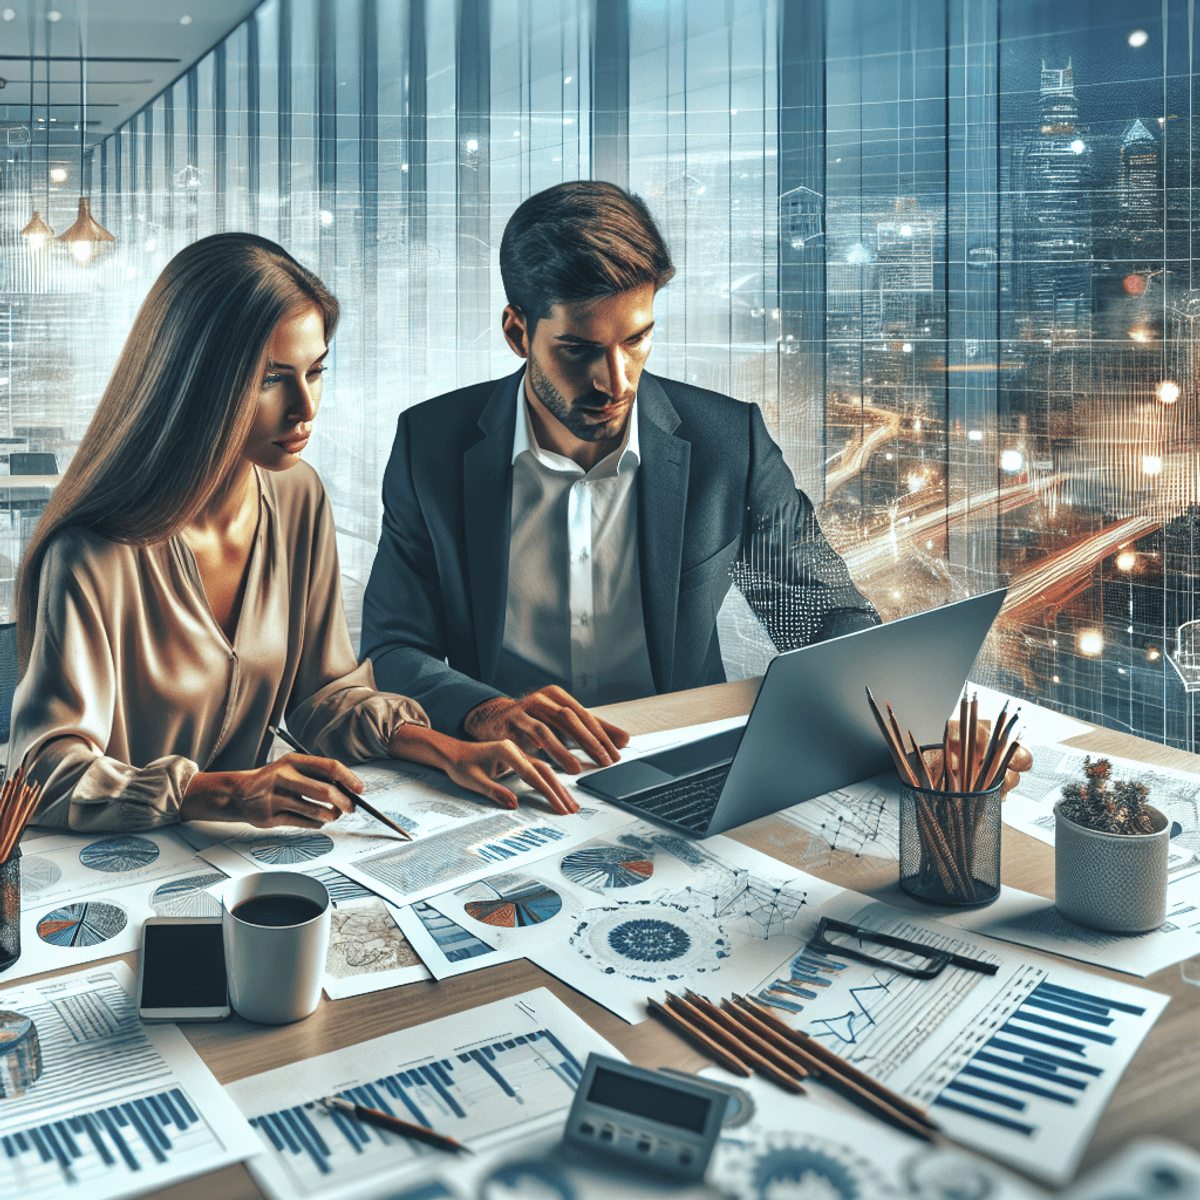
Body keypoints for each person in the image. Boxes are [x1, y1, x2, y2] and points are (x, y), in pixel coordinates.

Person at [8, 232, 578, 832]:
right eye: (270, 379)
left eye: (316, 371)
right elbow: (42, 774)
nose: (305, 407)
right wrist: (225, 795)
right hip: (119, 873)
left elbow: (324, 697)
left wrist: (449, 749)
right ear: (198, 380)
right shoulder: (92, 552)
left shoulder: (297, 493)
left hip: (254, 857)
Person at [361, 181, 881, 781]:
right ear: (517, 334)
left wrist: (902, 714)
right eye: (579, 350)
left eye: (636, 339)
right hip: (507, 775)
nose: (616, 380)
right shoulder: (432, 446)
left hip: (679, 769)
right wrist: (488, 712)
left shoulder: (725, 443)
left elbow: (818, 611)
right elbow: (394, 647)